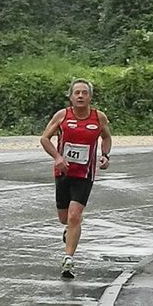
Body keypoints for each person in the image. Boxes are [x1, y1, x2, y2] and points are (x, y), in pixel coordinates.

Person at [40, 79, 112, 278]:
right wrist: (57, 157)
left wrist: (105, 156)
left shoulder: (99, 117)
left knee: (74, 216)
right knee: (64, 218)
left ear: (90, 96)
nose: (80, 96)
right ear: (71, 96)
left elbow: (106, 137)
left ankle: (68, 260)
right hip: (63, 173)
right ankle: (71, 231)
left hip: (84, 175)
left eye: (84, 93)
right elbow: (44, 139)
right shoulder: (63, 116)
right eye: (77, 93)